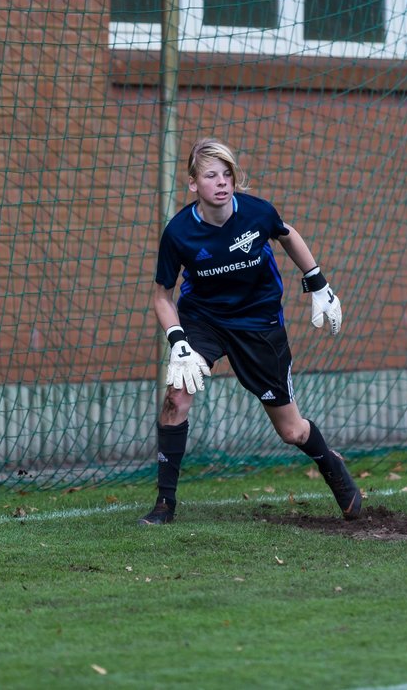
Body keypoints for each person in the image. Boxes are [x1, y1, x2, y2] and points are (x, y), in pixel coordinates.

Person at [140, 137, 363, 525]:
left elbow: (287, 232)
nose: (222, 182)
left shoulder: (257, 213)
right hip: (204, 320)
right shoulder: (178, 232)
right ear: (194, 183)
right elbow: (162, 295)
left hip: (259, 325)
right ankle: (164, 504)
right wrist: (177, 340)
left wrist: (318, 282)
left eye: (227, 174)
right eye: (211, 175)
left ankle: (332, 466)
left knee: (292, 431)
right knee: (176, 397)